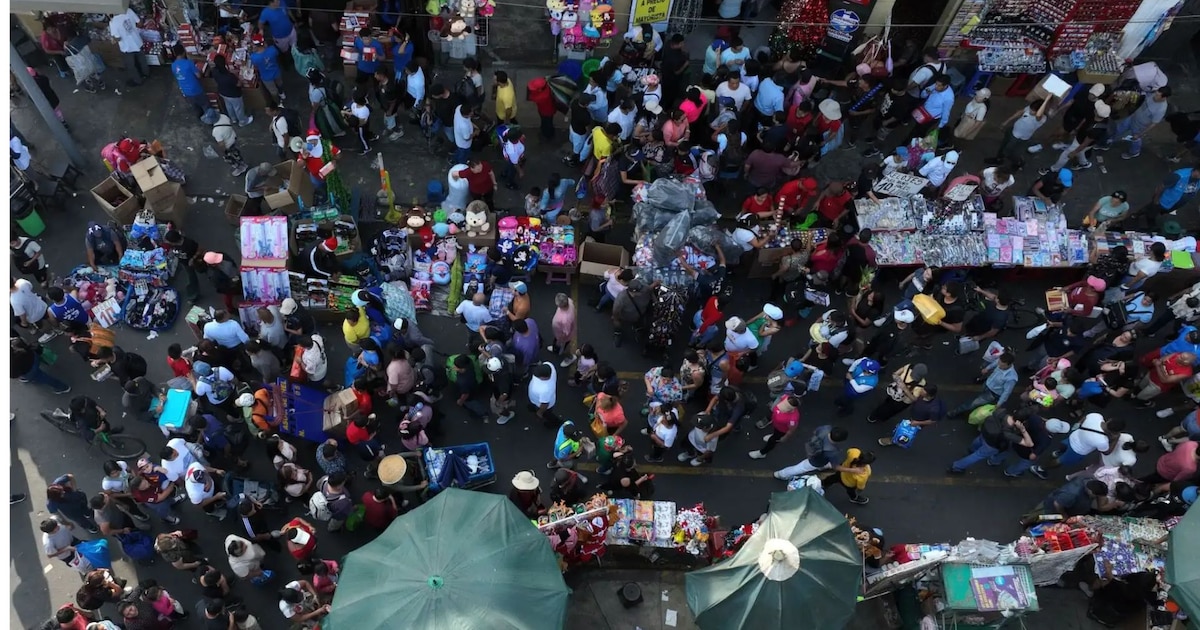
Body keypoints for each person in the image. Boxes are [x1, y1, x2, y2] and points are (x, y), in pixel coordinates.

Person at [1030, 413, 1123, 478]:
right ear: (1114, 432)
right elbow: (1106, 452)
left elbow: (1084, 417)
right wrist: (1116, 439)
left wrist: (1077, 425)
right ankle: (1040, 469)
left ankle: (1058, 453)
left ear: (1109, 420)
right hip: (1077, 450)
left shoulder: (1096, 416)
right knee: (1060, 461)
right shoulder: (1102, 441)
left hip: (1073, 436)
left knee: (1063, 447)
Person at [947, 409, 1034, 474]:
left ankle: (971, 449)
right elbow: (1029, 444)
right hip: (992, 445)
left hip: (985, 433)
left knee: (979, 441)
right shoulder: (1008, 433)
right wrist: (1023, 430)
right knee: (977, 456)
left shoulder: (1001, 412)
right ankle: (957, 466)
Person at [772, 425, 862, 480]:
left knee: (805, 466)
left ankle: (780, 474)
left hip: (813, 450)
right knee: (799, 468)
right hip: (816, 461)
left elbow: (815, 431)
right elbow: (836, 467)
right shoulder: (832, 452)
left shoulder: (825, 428)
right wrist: (853, 470)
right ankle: (781, 474)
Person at [986, 97, 1050, 170]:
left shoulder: (1041, 119)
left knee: (1009, 151)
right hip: (1013, 130)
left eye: (1033, 111)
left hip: (1019, 137)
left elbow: (1038, 115)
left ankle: (1018, 162)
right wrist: (1006, 121)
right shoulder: (1029, 108)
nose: (1030, 111)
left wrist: (1047, 99)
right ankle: (999, 159)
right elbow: (1020, 112)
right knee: (1004, 145)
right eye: (1031, 109)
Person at [1108, 86, 1171, 160]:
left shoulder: (1161, 109)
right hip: (1133, 117)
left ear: (1164, 97)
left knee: (1135, 139)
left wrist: (1140, 134)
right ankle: (1111, 139)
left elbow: (1153, 123)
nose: (1155, 96)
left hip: (1139, 126)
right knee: (1119, 128)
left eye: (1157, 96)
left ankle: (1134, 152)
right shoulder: (1153, 94)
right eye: (1156, 93)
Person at [948, 352, 1018, 417]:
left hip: (992, 393)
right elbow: (994, 363)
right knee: (977, 399)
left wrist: (999, 404)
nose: (999, 366)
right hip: (987, 384)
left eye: (1002, 365)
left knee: (974, 403)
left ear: (1009, 364)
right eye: (999, 362)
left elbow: (1006, 392)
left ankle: (956, 412)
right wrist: (987, 368)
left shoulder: (1011, 378)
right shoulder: (1001, 361)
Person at [749, 393, 803, 460]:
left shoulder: (793, 418)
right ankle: (773, 435)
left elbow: (791, 430)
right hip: (776, 425)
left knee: (772, 441)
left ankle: (762, 453)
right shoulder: (785, 397)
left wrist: (785, 437)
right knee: (775, 433)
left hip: (781, 431)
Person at [109, 7, 149, 87]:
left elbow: (118, 38)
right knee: (142, 60)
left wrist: (113, 39)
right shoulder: (128, 10)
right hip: (137, 41)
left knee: (131, 65)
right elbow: (140, 24)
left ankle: (137, 80)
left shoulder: (113, 22)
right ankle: (146, 73)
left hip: (127, 47)